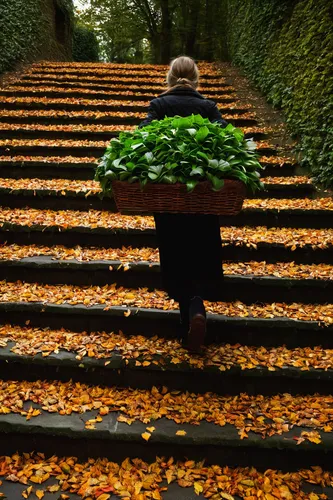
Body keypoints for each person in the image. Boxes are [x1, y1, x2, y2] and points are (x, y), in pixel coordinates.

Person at [139, 55, 228, 353]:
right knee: (200, 253)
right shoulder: (208, 107)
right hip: (202, 196)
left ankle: (187, 320)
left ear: (169, 77)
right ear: (196, 77)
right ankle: (197, 309)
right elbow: (226, 140)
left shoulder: (159, 105)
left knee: (176, 254)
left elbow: (144, 140)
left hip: (170, 196)